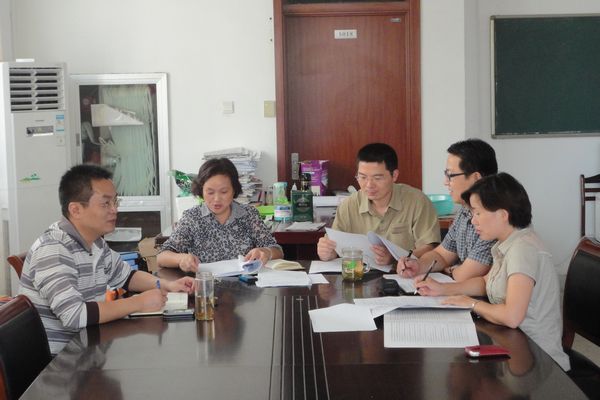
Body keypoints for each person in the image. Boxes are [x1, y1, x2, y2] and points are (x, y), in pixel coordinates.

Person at [19, 164, 194, 355]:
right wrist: (138, 303)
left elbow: (127, 277)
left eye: (115, 201)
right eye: (105, 203)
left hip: (90, 349)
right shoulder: (53, 249)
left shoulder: (95, 243)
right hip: (62, 363)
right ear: (76, 210)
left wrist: (168, 285)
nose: (114, 210)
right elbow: (74, 315)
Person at [415, 173, 570, 371]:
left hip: (537, 361)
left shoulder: (523, 249)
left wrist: (471, 303)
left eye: (478, 213)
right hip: (513, 346)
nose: (473, 221)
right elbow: (485, 282)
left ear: (503, 214)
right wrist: (443, 289)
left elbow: (511, 316)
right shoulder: (507, 243)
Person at [317, 143, 440, 265]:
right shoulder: (349, 205)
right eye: (362, 177)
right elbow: (334, 247)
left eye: (377, 178)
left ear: (394, 175)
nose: (369, 185)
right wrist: (327, 252)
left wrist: (395, 258)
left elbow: (429, 249)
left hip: (406, 274)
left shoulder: (417, 201)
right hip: (361, 274)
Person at [158, 158, 283, 272]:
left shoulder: (249, 214)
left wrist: (266, 252)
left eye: (224, 192)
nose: (217, 199)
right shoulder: (192, 217)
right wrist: (181, 259)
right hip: (205, 285)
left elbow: (277, 250)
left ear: (234, 190)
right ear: (201, 190)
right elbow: (162, 256)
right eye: (210, 192)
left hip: (244, 285)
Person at [398, 138, 497, 281]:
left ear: (476, 178)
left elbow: (467, 274)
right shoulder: (465, 211)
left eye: (450, 175)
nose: (445, 182)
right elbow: (441, 255)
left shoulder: (493, 215)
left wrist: (450, 270)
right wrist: (417, 265)